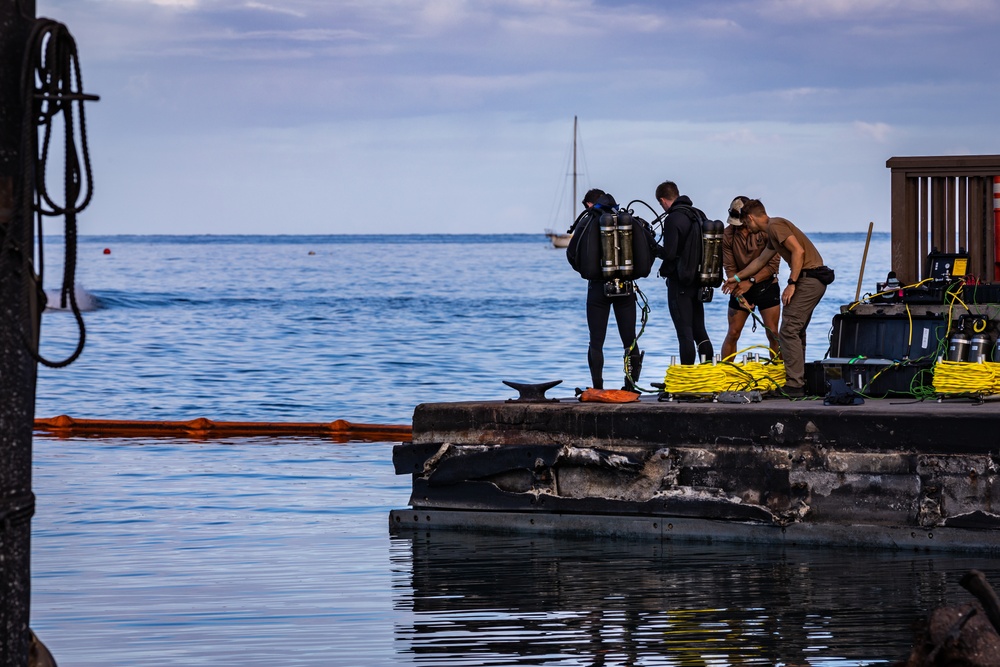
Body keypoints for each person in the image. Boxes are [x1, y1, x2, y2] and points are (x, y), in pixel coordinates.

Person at [722, 199, 833, 397]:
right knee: (797, 331)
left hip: (809, 278)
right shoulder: (773, 232)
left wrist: (791, 284)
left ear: (750, 218)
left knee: (788, 330)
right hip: (809, 278)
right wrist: (736, 278)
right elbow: (760, 261)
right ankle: (799, 381)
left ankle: (794, 385)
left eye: (746, 224)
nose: (745, 229)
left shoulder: (775, 226)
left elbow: (798, 251)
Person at [577, 189, 646, 391]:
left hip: (598, 287)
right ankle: (630, 386)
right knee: (629, 339)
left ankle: (597, 387)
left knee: (596, 341)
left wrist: (590, 271)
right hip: (626, 286)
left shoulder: (588, 221)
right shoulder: (626, 220)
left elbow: (573, 255)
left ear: (591, 204)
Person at [655, 181, 713, 365]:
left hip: (680, 283)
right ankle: (707, 373)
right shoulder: (698, 214)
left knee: (685, 332)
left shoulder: (673, 218)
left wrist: (652, 246)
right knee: (700, 331)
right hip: (699, 280)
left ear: (663, 200)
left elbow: (669, 254)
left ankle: (687, 380)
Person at [721, 195, 781, 361]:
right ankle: (725, 375)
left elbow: (772, 266)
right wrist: (739, 294)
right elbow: (730, 269)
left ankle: (780, 375)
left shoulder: (767, 230)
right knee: (733, 332)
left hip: (766, 285)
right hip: (739, 285)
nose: (738, 228)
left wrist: (751, 282)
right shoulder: (727, 234)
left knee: (773, 333)